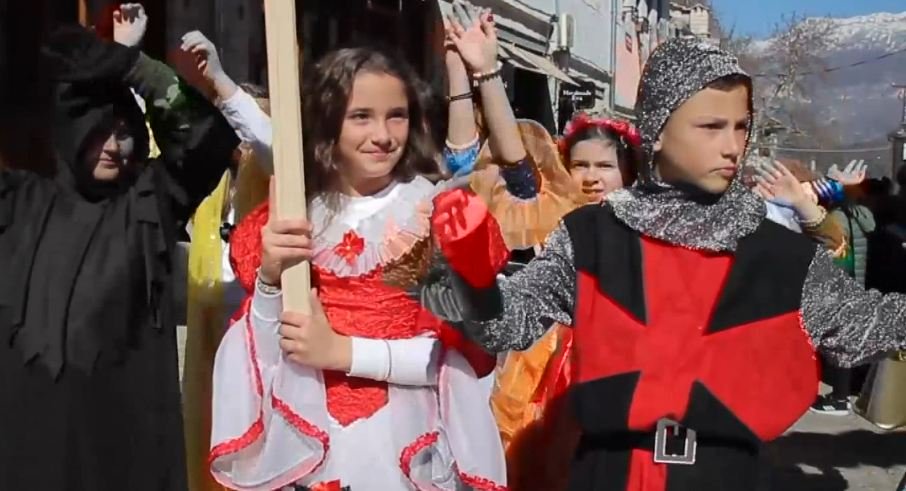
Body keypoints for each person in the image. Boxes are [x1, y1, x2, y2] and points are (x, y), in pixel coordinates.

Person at [432, 38, 906, 491]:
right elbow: (503, 328)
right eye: (710, 127)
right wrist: (474, 276)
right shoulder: (591, 238)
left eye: (740, 126)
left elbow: (868, 324)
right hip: (605, 472)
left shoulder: (782, 255)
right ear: (657, 131)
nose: (732, 146)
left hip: (729, 476)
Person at [208, 46, 506, 490]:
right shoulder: (292, 215)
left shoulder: (438, 218)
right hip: (308, 436)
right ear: (328, 123)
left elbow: (457, 359)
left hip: (404, 438)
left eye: (397, 116)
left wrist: (343, 353)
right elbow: (266, 353)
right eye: (361, 116)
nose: (383, 134)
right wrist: (270, 279)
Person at [0, 7, 238, 490]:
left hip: (120, 451)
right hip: (25, 450)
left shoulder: (148, 201)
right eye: (100, 127)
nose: (116, 144)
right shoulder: (18, 203)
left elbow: (207, 140)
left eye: (126, 129)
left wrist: (135, 67)